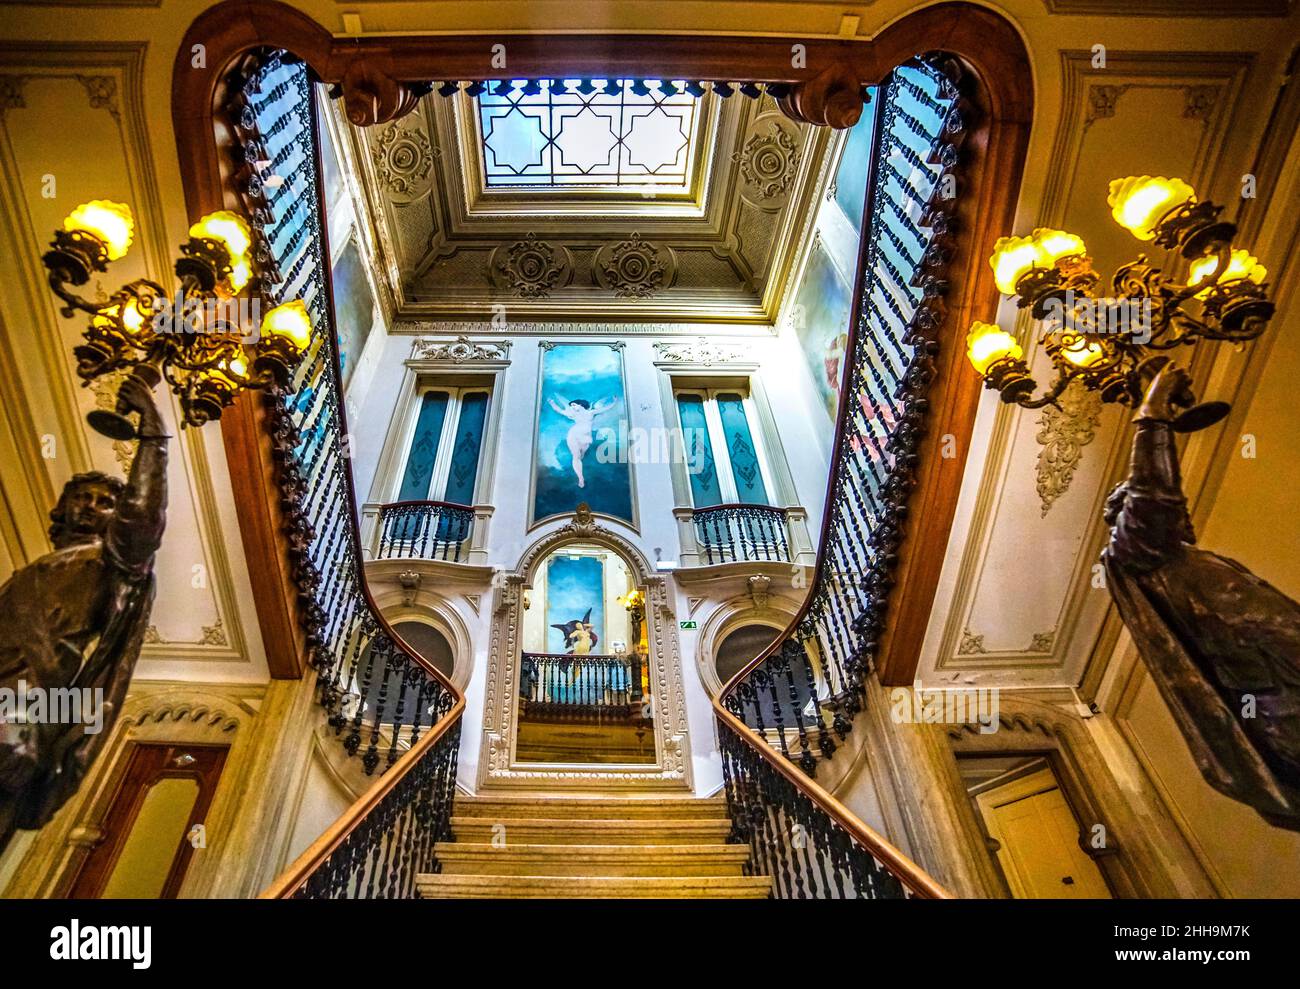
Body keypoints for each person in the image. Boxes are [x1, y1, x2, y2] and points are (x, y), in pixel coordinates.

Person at [1104, 363, 1300, 830]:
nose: (1182, 511)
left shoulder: (1184, 562)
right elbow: (1157, 493)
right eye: (1134, 501)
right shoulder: (1135, 554)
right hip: (1283, 701)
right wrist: (1152, 414)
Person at [0, 374, 167, 853]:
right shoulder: (37, 570)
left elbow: (144, 515)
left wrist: (153, 432)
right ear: (63, 508)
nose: (91, 507)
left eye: (104, 502)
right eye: (82, 498)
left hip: (21, 708)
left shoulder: (114, 562)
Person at [547, 394, 616, 488]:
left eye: (574, 405)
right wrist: (552, 403)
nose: (572, 407)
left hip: (586, 438)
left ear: (580, 405)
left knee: (581, 456)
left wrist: (614, 402)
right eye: (571, 406)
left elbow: (604, 409)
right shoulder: (572, 414)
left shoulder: (591, 413)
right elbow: (559, 410)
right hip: (574, 435)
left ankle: (580, 469)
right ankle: (581, 478)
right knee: (576, 457)